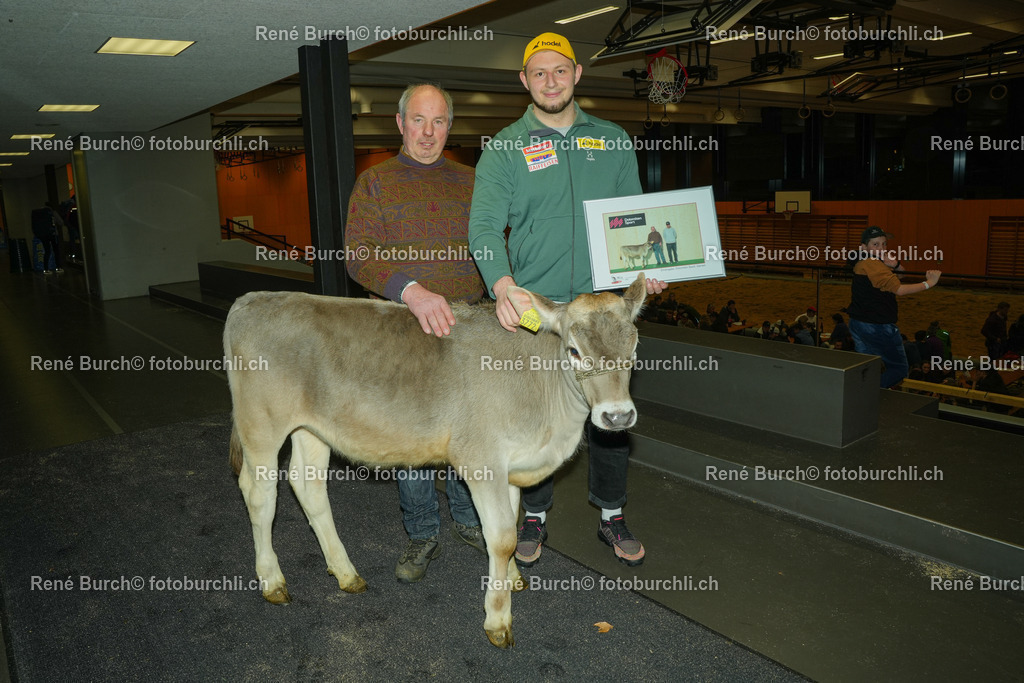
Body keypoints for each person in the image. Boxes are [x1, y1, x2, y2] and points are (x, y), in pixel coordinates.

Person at [469, 32, 666, 568]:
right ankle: (534, 515)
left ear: (577, 74)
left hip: (604, 307)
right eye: (539, 73)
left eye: (560, 71)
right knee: (539, 414)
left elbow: (635, 217)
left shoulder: (613, 139)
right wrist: (503, 285)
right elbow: (485, 226)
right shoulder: (506, 147)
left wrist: (651, 271)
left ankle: (611, 513)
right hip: (543, 311)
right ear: (524, 81)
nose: (550, 81)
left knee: (611, 406)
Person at [345, 83, 486, 583]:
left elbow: (494, 249)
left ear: (451, 125)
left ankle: (470, 520)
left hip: (468, 333)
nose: (429, 133)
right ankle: (423, 531)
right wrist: (413, 292)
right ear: (399, 123)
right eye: (419, 121)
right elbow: (358, 256)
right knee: (413, 444)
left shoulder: (475, 181)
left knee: (468, 435)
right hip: (402, 334)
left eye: (439, 121)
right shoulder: (375, 183)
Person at [846, 226, 940, 388]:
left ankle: (859, 394)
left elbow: (899, 277)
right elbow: (900, 290)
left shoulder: (866, 261)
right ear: (863, 247)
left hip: (858, 322)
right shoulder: (873, 265)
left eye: (884, 244)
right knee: (899, 369)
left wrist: (895, 264)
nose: (881, 248)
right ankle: (866, 395)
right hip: (877, 325)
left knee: (868, 366)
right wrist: (929, 283)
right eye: (876, 244)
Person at [31, 203, 65, 274]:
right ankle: (58, 267)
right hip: (52, 234)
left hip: (43, 235)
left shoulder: (38, 213)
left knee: (47, 251)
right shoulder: (52, 212)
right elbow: (61, 222)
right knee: (56, 251)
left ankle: (46, 269)